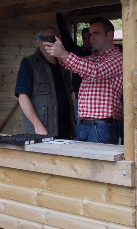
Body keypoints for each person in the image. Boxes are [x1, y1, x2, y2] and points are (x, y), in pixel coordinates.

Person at [45, 17, 123, 145]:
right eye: (90, 34)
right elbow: (74, 65)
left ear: (110, 35)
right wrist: (59, 54)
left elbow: (95, 71)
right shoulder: (93, 57)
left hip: (102, 126)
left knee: (99, 165)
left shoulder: (118, 58)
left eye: (96, 33)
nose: (92, 37)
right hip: (86, 125)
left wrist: (63, 54)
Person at [14, 26, 76, 139]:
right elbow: (22, 97)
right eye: (47, 38)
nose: (51, 41)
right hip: (42, 131)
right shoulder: (29, 64)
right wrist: (37, 125)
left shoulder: (64, 65)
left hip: (65, 130)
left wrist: (73, 128)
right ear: (39, 42)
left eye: (55, 39)